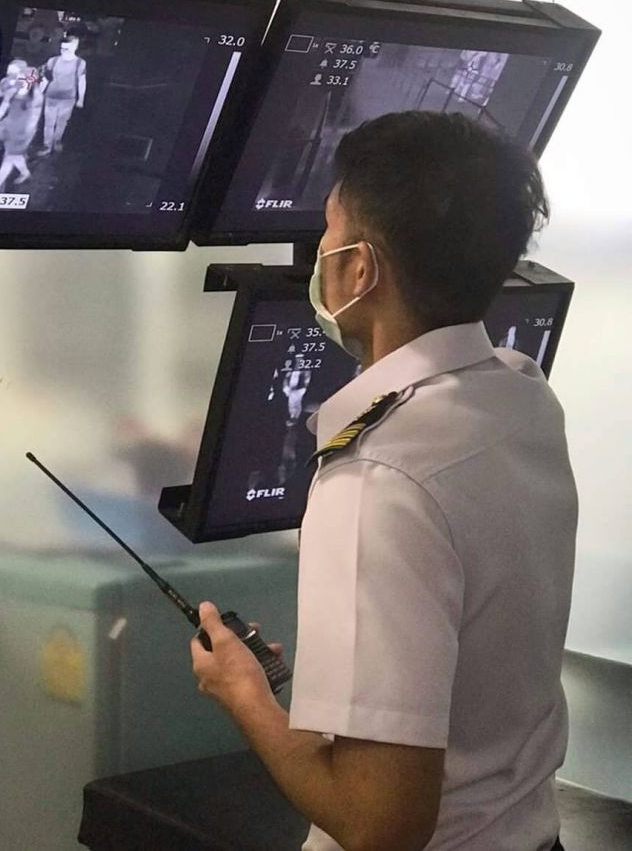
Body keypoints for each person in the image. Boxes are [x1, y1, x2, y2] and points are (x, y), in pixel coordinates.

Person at [191, 111, 575, 851]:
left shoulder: (376, 477)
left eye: (328, 233)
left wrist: (245, 694)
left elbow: (382, 823)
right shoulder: (524, 398)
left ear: (359, 271)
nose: (319, 254)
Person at [38, 34, 87, 155]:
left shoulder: (80, 63)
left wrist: (81, 99)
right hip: (51, 96)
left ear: (75, 47)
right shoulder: (53, 61)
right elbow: (46, 78)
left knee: (62, 122)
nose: (64, 51)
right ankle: (47, 145)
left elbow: (82, 82)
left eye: (67, 49)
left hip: (68, 98)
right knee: (48, 123)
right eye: (62, 48)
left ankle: (57, 140)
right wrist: (39, 93)